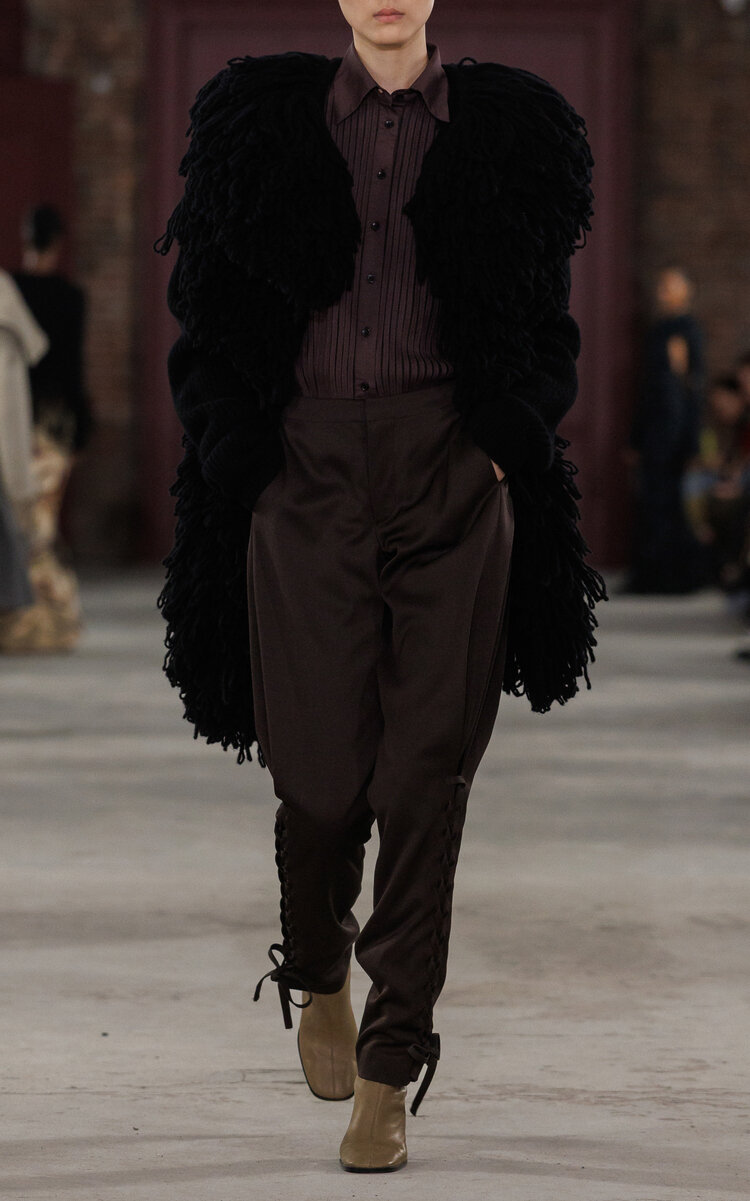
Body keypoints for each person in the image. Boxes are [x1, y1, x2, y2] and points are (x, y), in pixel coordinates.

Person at [153, 0, 606, 1173]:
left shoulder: (508, 133)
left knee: (425, 775)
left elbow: (544, 324)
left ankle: (393, 1061)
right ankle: (317, 968)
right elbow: (204, 317)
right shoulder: (263, 124)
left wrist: (500, 446)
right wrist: (245, 461)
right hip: (301, 475)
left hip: (449, 471)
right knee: (316, 778)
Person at [11, 203, 94, 649]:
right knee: (41, 525)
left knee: (20, 521)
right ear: (59, 242)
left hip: (11, 420)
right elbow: (74, 372)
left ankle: (26, 622)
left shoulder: (9, 291)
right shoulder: (70, 297)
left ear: (26, 238)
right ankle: (45, 624)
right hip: (53, 426)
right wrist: (81, 433)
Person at [624, 265, 707, 594]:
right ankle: (651, 576)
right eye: (662, 286)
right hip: (656, 430)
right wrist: (637, 438)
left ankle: (670, 578)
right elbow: (649, 389)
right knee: (651, 503)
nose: (663, 292)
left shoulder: (685, 330)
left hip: (672, 433)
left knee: (667, 504)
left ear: (687, 291)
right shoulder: (659, 331)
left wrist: (691, 441)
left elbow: (689, 388)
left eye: (671, 286)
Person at [682, 374, 750, 591]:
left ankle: (731, 569)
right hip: (728, 478)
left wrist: (735, 481)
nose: (720, 408)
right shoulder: (722, 426)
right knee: (693, 480)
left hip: (740, 482)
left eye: (723, 402)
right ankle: (702, 531)